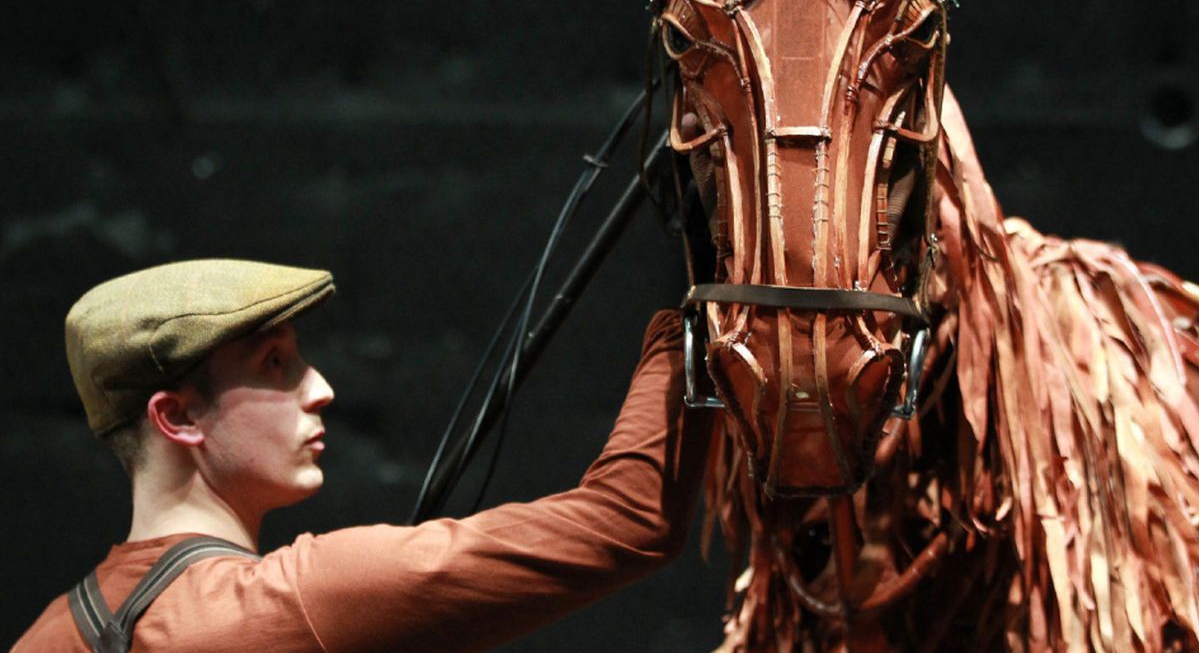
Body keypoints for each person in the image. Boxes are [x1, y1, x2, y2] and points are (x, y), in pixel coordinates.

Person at [15, 259, 711, 652]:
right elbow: (630, 520)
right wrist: (694, 319)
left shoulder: (43, 638)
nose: (321, 389)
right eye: (276, 364)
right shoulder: (303, 601)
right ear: (179, 415)